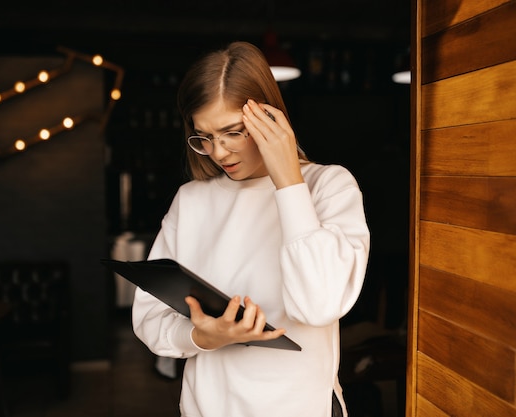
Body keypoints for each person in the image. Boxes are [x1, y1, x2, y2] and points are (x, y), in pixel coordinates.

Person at [132, 41, 370, 417]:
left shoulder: (329, 186)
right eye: (205, 137)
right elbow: (149, 320)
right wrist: (202, 336)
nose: (219, 152)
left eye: (233, 132)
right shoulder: (191, 199)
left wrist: (288, 180)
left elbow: (319, 305)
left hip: (300, 406)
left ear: (271, 118)